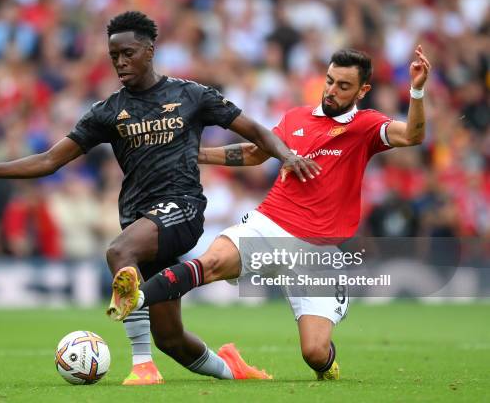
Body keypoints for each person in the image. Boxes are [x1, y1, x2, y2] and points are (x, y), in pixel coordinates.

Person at [0, 11, 319, 385]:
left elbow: (255, 130)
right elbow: (50, 160)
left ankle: (142, 366)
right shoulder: (108, 111)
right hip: (140, 220)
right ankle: (232, 370)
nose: (120, 62)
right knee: (171, 338)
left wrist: (287, 155)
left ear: (150, 50)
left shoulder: (191, 95)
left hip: (184, 208)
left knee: (117, 252)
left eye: (127, 53)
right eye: (114, 56)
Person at [109, 46, 432, 381]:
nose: (332, 90)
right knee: (211, 263)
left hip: (317, 251)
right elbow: (253, 153)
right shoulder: (296, 118)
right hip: (270, 224)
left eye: (344, 86)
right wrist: (195, 154)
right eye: (330, 81)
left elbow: (413, 135)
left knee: (315, 354)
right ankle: (136, 295)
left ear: (363, 90)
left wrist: (417, 90)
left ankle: (327, 364)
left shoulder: (366, 126)